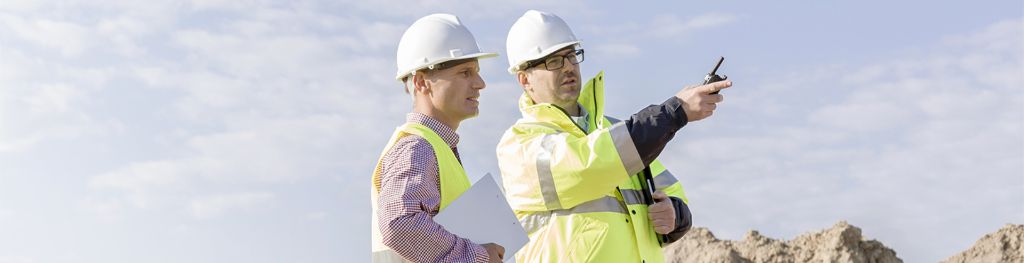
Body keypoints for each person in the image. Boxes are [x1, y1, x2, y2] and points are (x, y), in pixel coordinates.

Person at [496, 10, 734, 262]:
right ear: (525, 80)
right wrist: (673, 113)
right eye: (553, 61)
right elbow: (588, 166)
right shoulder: (519, 144)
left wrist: (674, 213)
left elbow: (671, 190)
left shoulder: (613, 132)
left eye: (571, 56)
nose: (568, 67)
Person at [370, 13, 504, 263]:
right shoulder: (416, 147)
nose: (480, 83)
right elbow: (399, 223)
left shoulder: (434, 148)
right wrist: (478, 256)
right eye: (465, 73)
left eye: (476, 72)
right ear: (422, 82)